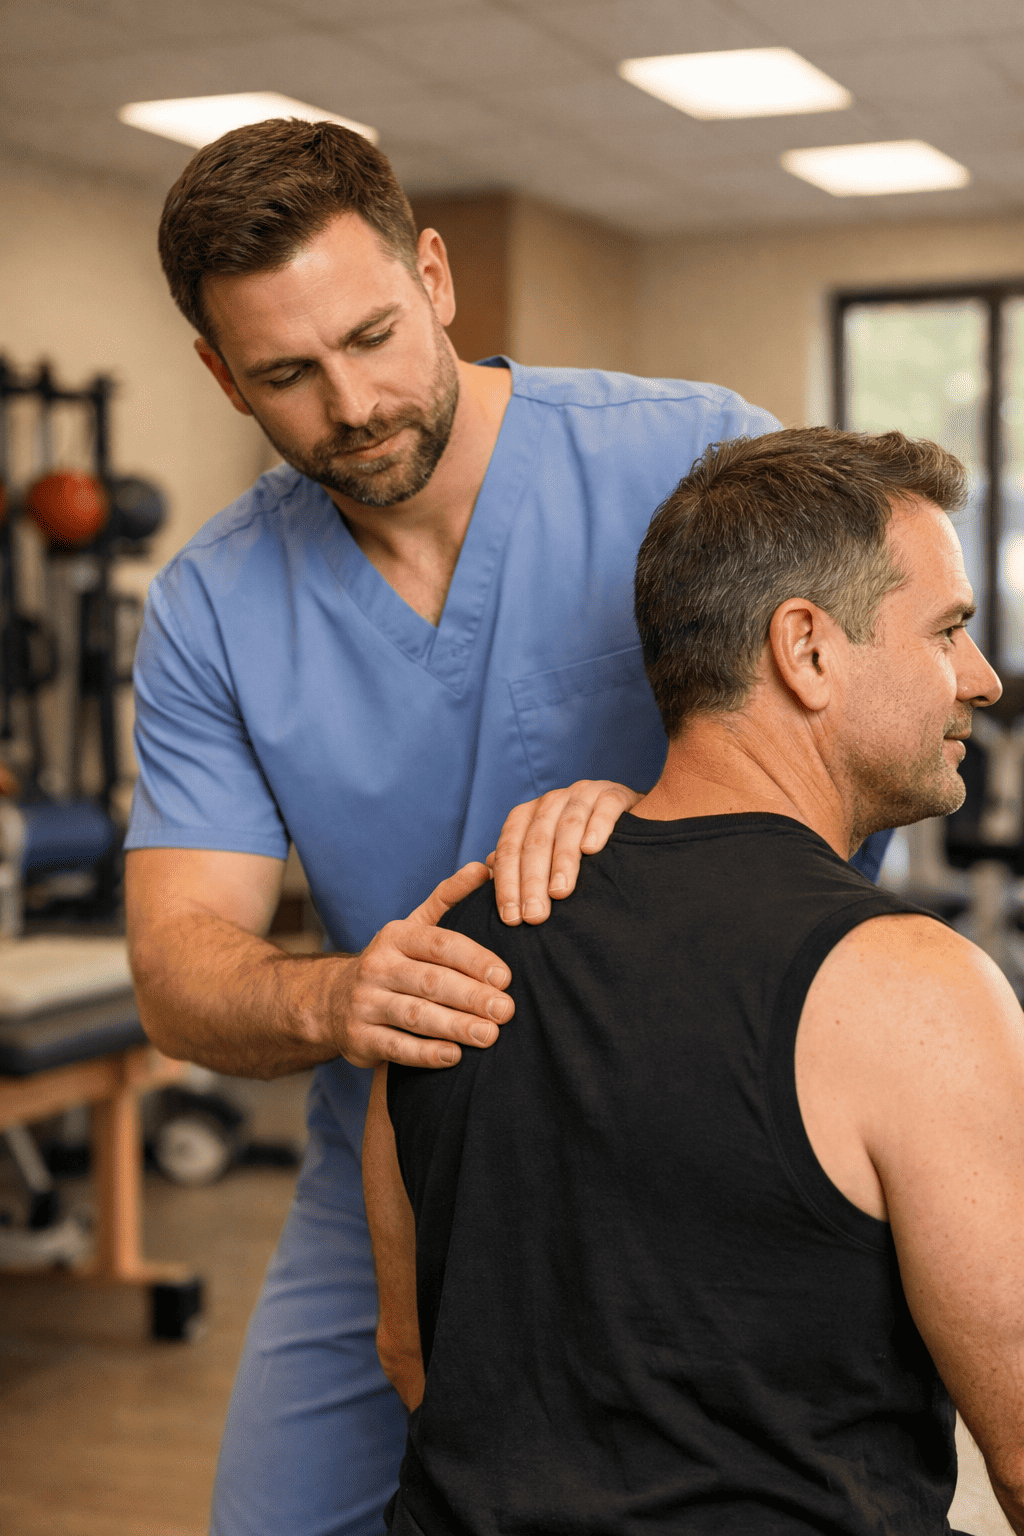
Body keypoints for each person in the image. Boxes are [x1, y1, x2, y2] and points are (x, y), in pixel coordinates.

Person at [125, 120, 884, 1536]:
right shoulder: (213, 607)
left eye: (372, 336)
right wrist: (343, 998)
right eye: (287, 374)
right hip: (404, 1164)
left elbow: (870, 748)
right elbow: (180, 970)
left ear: (435, 275)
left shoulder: (694, 455)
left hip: (697, 1150)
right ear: (222, 376)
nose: (353, 404)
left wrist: (673, 821)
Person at [366, 427, 1024, 1536]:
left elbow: (409, 1353)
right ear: (806, 650)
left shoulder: (442, 958)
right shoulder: (915, 989)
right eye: (947, 631)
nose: (982, 679)